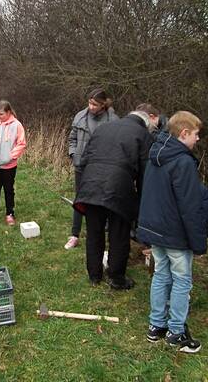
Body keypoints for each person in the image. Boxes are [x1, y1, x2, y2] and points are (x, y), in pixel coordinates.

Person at [137, 111, 208, 354]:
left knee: (160, 274)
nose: (198, 140)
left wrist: (145, 231)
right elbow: (190, 207)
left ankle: (156, 326)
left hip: (157, 230)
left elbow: (148, 196)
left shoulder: (155, 155)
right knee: (181, 280)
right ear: (184, 133)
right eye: (196, 135)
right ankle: (176, 332)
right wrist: (198, 242)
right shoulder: (183, 162)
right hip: (176, 235)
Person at [73, 106, 153, 289]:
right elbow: (144, 174)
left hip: (90, 185)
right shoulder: (143, 135)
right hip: (119, 189)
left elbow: (84, 159)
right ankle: (116, 278)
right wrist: (141, 203)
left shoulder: (104, 127)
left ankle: (94, 275)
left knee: (94, 232)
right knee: (119, 235)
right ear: (147, 121)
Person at [65, 88, 118, 249]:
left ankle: (99, 234)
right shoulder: (80, 116)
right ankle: (74, 235)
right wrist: (73, 154)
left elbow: (117, 144)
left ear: (103, 104)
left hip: (102, 169)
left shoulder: (113, 120)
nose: (91, 107)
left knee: (102, 201)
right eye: (89, 103)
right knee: (79, 200)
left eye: (95, 104)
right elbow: (72, 138)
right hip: (81, 166)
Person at [0, 100, 27, 226]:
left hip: (9, 165)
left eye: (1, 114)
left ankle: (10, 213)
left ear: (8, 112)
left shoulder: (17, 125)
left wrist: (11, 156)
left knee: (8, 189)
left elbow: (21, 143)